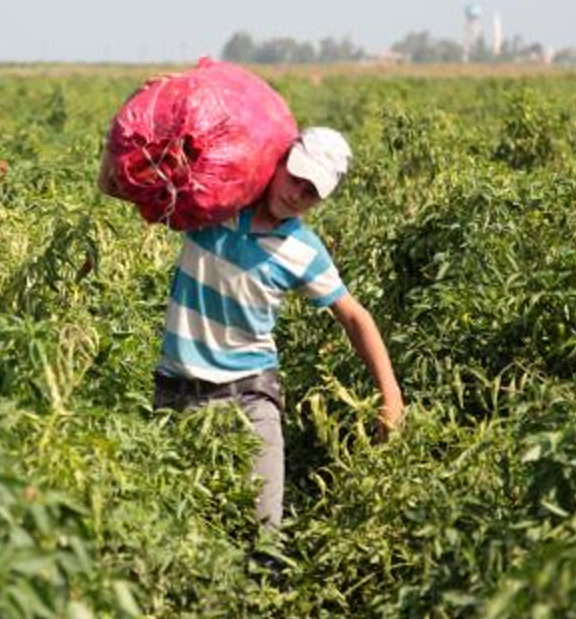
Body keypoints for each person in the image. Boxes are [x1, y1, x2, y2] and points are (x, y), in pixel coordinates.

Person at [105, 127, 405, 530]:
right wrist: (136, 123)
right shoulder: (215, 204)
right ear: (277, 161)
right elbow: (113, 185)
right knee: (169, 533)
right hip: (175, 392)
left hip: (249, 395)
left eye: (310, 192)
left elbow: (354, 317)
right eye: (294, 177)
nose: (296, 194)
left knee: (263, 538)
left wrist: (391, 397)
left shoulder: (302, 249)